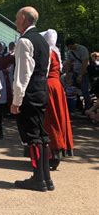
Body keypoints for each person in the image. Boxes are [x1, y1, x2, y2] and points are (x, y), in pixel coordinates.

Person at [10, 6, 53, 192]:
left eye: (17, 17)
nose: (15, 20)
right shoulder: (44, 42)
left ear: (24, 18)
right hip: (41, 89)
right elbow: (45, 68)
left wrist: (16, 100)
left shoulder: (24, 41)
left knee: (33, 136)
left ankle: (38, 179)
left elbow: (23, 74)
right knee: (41, 134)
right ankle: (46, 178)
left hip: (30, 92)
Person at [41, 29, 73, 171]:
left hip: (48, 85)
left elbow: (45, 70)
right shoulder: (56, 51)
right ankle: (56, 152)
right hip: (57, 86)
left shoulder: (47, 51)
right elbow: (60, 70)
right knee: (58, 117)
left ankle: (51, 153)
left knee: (49, 119)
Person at [64, 37, 91, 110]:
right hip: (75, 72)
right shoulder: (70, 52)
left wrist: (80, 75)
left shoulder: (82, 49)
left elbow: (85, 63)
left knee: (85, 91)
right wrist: (67, 74)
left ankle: (88, 108)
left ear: (73, 44)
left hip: (84, 72)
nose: (69, 48)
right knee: (73, 89)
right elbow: (68, 63)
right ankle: (78, 106)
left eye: (70, 46)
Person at [0, 41, 15, 114]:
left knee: (5, 93)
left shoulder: (8, 56)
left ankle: (6, 109)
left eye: (0, 46)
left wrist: (7, 69)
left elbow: (12, 64)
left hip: (4, 77)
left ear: (3, 47)